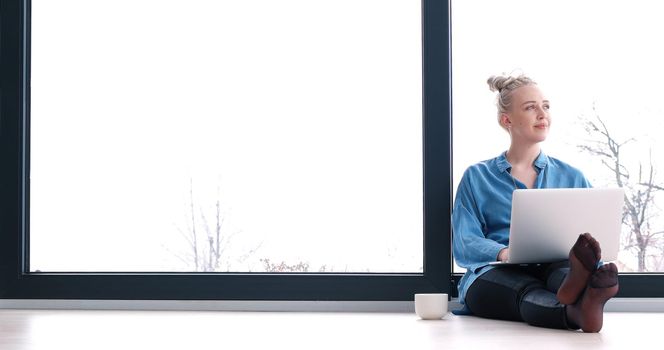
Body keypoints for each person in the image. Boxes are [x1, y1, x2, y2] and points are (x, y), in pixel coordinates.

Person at [452, 74, 619, 332]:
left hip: (554, 265)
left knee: (563, 274)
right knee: (524, 291)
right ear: (506, 120)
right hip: (493, 273)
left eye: (546, 106)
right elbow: (465, 241)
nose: (543, 114)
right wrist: (503, 253)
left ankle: (580, 294)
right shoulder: (477, 176)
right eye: (531, 107)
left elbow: (591, 233)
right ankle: (578, 311)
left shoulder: (572, 176)